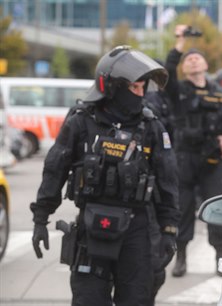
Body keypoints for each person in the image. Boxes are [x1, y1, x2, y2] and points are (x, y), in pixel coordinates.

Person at [30, 45, 181, 306]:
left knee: (137, 299)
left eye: (143, 87)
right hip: (91, 229)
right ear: (112, 87)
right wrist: (40, 219)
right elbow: (54, 170)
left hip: (137, 229)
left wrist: (169, 230)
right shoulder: (80, 121)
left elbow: (168, 181)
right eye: (134, 87)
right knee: (88, 300)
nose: (141, 94)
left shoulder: (151, 126)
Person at [164, 24, 222, 277]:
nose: (193, 60)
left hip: (212, 160)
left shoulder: (219, 93)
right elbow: (167, 70)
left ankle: (220, 256)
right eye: (188, 59)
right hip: (185, 158)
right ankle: (181, 257)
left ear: (206, 64)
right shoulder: (178, 91)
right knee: (183, 210)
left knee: (217, 209)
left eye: (197, 57)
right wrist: (180, 42)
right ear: (184, 67)